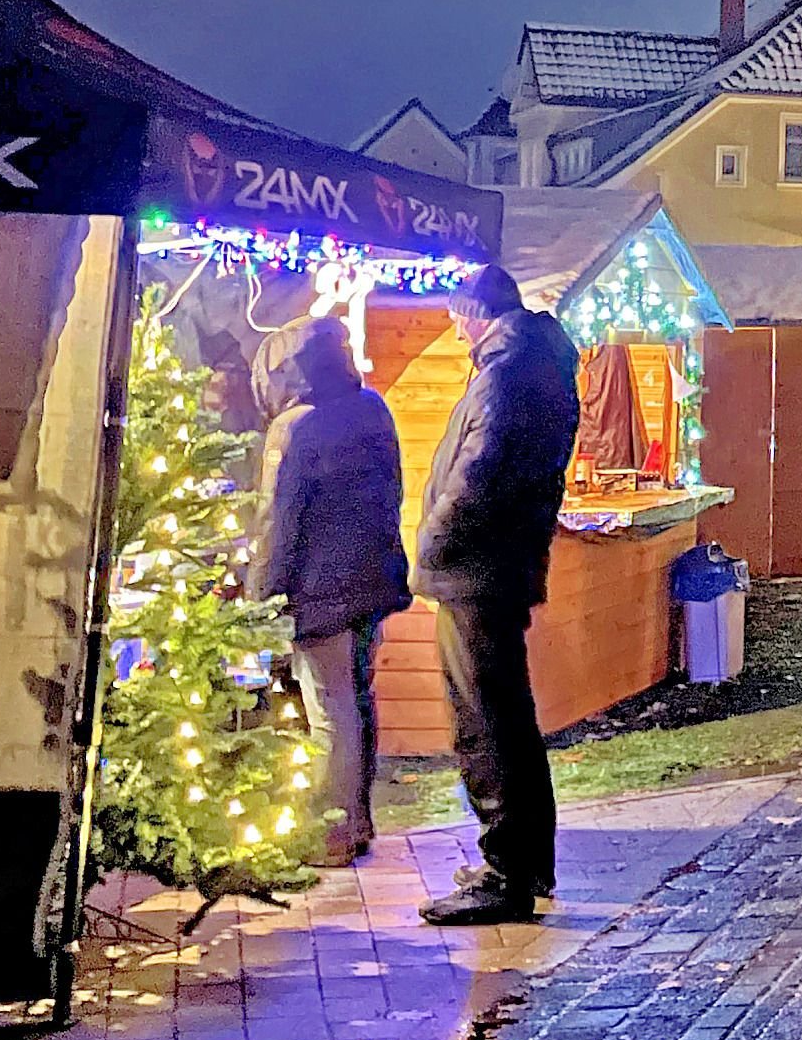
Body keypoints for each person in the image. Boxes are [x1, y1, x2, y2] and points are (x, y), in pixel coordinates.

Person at [413, 264, 581, 925]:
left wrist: (432, 541)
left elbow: (477, 476)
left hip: (476, 569)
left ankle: (507, 873)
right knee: (505, 716)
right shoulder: (531, 366)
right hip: (495, 567)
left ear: (478, 313)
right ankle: (523, 863)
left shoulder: (508, 375)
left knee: (486, 721)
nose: (454, 331)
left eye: (458, 317)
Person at [246, 317, 411, 870]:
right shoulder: (374, 409)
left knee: (330, 710)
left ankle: (331, 835)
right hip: (373, 583)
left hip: (320, 592)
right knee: (358, 700)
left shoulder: (295, 427)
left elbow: (278, 523)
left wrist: (258, 599)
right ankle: (358, 821)